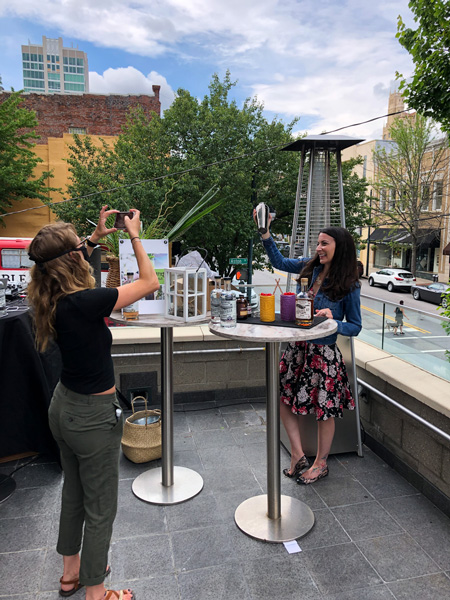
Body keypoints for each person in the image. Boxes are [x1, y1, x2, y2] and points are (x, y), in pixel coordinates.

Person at [27, 206, 159, 600]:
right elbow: (150, 282)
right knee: (101, 507)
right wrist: (134, 235)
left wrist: (96, 236)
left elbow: (66, 258)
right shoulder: (87, 301)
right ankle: (97, 591)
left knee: (74, 494)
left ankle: (70, 575)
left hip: (63, 407)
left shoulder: (51, 295)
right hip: (91, 418)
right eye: (79, 249)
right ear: (71, 259)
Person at [255, 215, 362, 485]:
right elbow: (278, 262)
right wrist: (266, 234)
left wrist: (333, 320)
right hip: (296, 350)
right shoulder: (309, 267)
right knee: (282, 398)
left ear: (340, 247)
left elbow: (356, 327)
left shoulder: (350, 284)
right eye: (318, 243)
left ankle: (321, 463)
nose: (318, 248)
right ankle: (297, 455)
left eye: (324, 243)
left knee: (323, 409)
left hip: (323, 356)